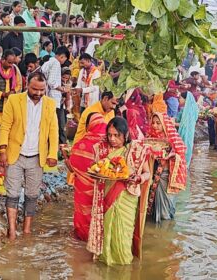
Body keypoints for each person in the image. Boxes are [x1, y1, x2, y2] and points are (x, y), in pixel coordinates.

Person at [0, 72, 58, 240]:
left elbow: (53, 131)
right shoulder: (14, 100)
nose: (38, 93)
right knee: (13, 193)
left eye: (42, 90)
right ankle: (11, 231)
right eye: (35, 89)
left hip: (37, 156)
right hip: (15, 154)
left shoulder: (50, 104)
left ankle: (26, 230)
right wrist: (2, 150)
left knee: (32, 195)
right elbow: (5, 126)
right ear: (27, 85)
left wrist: (53, 154)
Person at [87, 117, 151, 265]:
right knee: (107, 228)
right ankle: (106, 261)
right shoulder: (101, 149)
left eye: (117, 135)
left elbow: (147, 173)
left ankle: (123, 265)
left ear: (126, 134)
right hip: (106, 195)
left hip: (127, 195)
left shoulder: (136, 150)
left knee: (124, 234)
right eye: (110, 135)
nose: (113, 139)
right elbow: (95, 169)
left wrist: (138, 179)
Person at [69, 113, 106, 241]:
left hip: (82, 190)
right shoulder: (108, 146)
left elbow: (73, 166)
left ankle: (81, 237)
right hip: (100, 191)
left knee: (82, 215)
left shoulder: (81, 144)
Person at [147, 113, 187, 223]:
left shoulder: (172, 138)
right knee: (156, 205)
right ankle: (160, 229)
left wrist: (170, 155)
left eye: (158, 123)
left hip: (167, 176)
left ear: (165, 124)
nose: (155, 126)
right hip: (156, 174)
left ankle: (165, 230)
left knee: (166, 206)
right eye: (153, 123)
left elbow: (181, 152)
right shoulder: (151, 137)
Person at [41, 46, 70, 145]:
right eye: (65, 59)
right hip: (53, 99)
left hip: (48, 97)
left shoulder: (48, 62)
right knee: (56, 125)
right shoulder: (56, 63)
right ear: (62, 56)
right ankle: (57, 146)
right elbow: (52, 82)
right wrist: (62, 89)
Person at [176, 91, 199, 167]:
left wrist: (173, 123)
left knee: (182, 154)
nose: (178, 100)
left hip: (184, 135)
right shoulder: (193, 110)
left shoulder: (186, 111)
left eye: (180, 98)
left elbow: (184, 125)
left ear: (186, 99)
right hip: (190, 136)